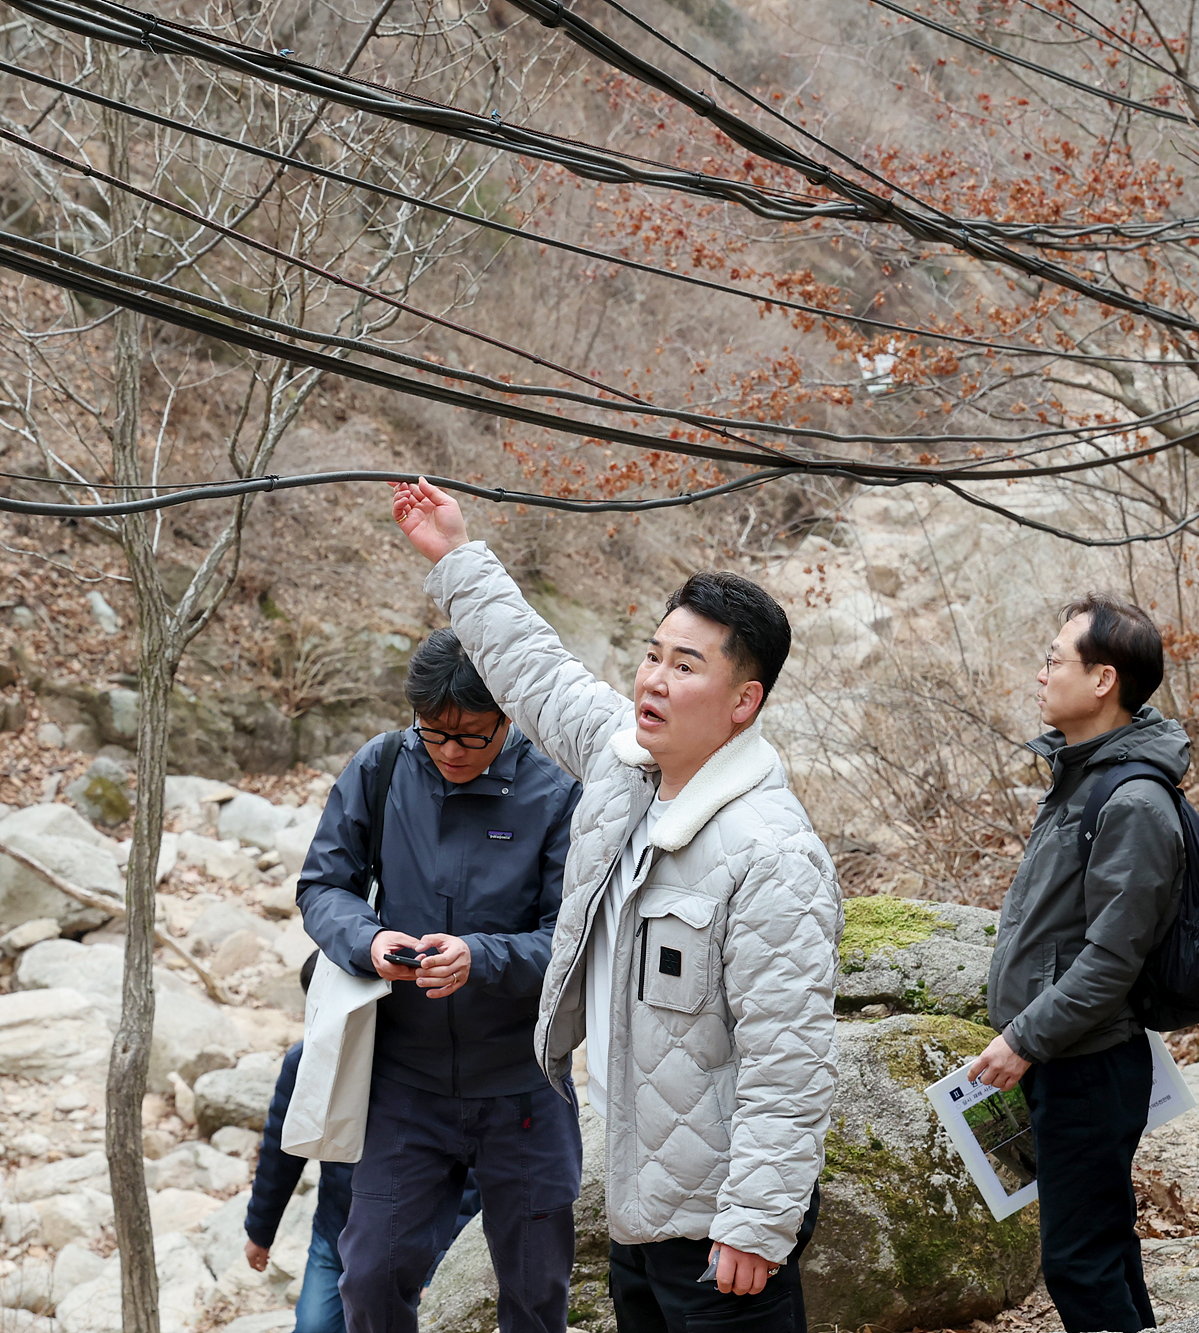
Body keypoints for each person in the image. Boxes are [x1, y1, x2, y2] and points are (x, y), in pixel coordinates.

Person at [390, 479, 842, 1333]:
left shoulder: (773, 855)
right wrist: (456, 554)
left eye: (686, 666)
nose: (655, 680)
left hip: (720, 1230)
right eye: (653, 655)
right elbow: (536, 672)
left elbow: (789, 1059)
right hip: (641, 1206)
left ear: (743, 702)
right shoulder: (626, 767)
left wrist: (757, 1221)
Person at [298, 629, 583, 1333]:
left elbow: (573, 942)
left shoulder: (557, 793)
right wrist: (366, 940)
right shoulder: (384, 765)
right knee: (369, 1276)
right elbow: (323, 884)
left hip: (522, 1083)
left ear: (507, 716)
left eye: (471, 736)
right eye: (435, 732)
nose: (451, 751)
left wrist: (480, 957)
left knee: (536, 1290)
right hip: (406, 1082)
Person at [970, 595, 1188, 1333]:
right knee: (1104, 1250)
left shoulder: (1133, 801)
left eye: (1053, 660)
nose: (1041, 675)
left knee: (1078, 1264)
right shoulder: (1085, 778)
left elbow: (1111, 961)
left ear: (1102, 680)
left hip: (1087, 1065)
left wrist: (1023, 1037)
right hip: (1067, 1058)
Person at [245, 953, 482, 1333]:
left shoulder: (426, 1067)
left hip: (413, 1240)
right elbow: (280, 1152)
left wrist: (440, 1263)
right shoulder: (306, 1060)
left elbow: (467, 1173)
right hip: (335, 1232)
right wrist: (260, 1230)